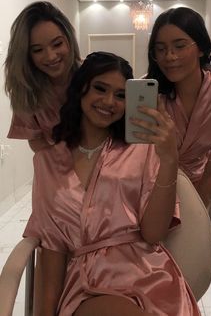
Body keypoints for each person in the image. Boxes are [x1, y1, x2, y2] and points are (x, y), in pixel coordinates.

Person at [23, 52, 200, 316]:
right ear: (80, 88)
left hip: (148, 276)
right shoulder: (48, 162)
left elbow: (153, 234)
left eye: (120, 95)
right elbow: (52, 249)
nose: (109, 102)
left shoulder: (141, 151)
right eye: (100, 88)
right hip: (90, 283)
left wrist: (169, 159)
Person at [146, 6, 211, 207]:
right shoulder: (149, 92)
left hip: (196, 190)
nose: (169, 56)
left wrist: (196, 211)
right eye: (160, 49)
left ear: (201, 47)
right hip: (148, 190)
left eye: (179, 46)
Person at [4, 1, 82, 151]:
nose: (51, 56)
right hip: (56, 170)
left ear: (69, 40)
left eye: (57, 44)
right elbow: (37, 143)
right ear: (27, 55)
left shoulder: (93, 77)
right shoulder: (26, 91)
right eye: (38, 50)